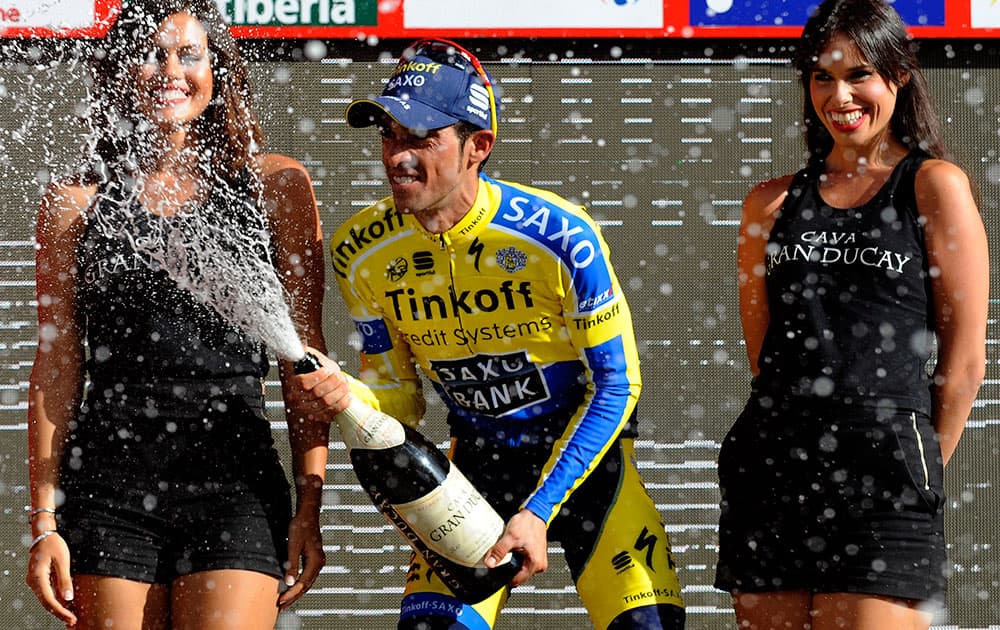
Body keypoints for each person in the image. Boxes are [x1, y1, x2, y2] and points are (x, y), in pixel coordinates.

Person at [294, 37, 685, 630]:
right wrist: (346, 395)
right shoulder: (361, 250)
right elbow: (402, 398)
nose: (398, 156)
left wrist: (539, 508)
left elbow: (618, 383)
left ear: (479, 146)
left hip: (585, 467)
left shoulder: (558, 235)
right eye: (389, 135)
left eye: (422, 138)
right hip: (473, 470)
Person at [25, 1, 333, 628]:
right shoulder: (75, 204)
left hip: (235, 484)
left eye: (188, 53)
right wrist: (44, 521)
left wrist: (310, 504)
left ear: (218, 68)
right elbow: (57, 364)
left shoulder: (276, 187)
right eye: (150, 52)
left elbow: (305, 361)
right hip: (109, 485)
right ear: (120, 72)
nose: (169, 69)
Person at [714, 0, 988, 628]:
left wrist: (911, 467)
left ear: (898, 76)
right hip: (775, 473)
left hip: (885, 481)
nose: (840, 95)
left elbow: (966, 359)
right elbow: (768, 356)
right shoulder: (770, 203)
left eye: (859, 74)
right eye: (821, 76)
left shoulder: (934, 185)